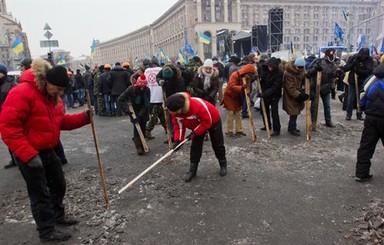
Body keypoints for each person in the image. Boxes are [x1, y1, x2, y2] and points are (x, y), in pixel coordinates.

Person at [0, 59, 91, 242]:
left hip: (48, 150)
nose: (61, 93)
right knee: (39, 193)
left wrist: (84, 117)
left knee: (59, 184)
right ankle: (47, 230)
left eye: (63, 90)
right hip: (29, 153)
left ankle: (58, 215)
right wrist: (28, 154)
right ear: (47, 82)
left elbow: (60, 122)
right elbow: (8, 127)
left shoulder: (53, 98)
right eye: (58, 89)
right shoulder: (22, 92)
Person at [166, 92, 227, 182]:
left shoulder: (197, 106)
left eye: (175, 112)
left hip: (212, 120)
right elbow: (178, 126)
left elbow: (207, 121)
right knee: (195, 146)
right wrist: (178, 141)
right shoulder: (175, 112)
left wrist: (195, 133)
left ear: (181, 108)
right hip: (197, 125)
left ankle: (223, 163)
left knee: (217, 144)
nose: (173, 114)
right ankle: (192, 171)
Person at [354, 63, 384, 182]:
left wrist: (364, 109)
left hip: (371, 118)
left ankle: (361, 173)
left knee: (366, 146)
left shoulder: (371, 79)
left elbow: (363, 97)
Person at [118, 74, 150, 155]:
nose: (142, 87)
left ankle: (143, 144)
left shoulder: (147, 90)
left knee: (143, 128)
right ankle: (139, 147)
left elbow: (147, 104)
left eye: (144, 85)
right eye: (141, 86)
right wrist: (127, 110)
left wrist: (140, 115)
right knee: (136, 129)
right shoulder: (131, 89)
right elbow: (120, 99)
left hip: (144, 112)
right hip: (134, 112)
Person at [221, 64, 256, 137]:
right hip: (229, 96)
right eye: (249, 74)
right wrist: (241, 87)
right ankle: (229, 131)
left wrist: (248, 92)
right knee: (230, 114)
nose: (249, 76)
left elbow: (248, 87)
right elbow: (231, 86)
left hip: (237, 96)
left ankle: (239, 130)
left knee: (238, 114)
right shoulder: (235, 75)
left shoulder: (247, 78)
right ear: (246, 72)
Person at [306, 48, 338, 127]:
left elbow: (332, 79)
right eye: (334, 54)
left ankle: (328, 121)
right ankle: (313, 121)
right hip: (315, 86)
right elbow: (308, 72)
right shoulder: (318, 61)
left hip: (326, 87)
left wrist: (333, 90)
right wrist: (315, 69)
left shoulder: (333, 65)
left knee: (327, 105)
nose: (335, 56)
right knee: (314, 105)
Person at [343, 48, 373, 121]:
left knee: (360, 98)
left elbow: (369, 71)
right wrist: (353, 64)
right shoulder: (354, 58)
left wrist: (359, 71)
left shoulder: (369, 59)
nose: (363, 57)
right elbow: (345, 68)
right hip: (353, 81)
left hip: (362, 81)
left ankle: (359, 113)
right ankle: (348, 114)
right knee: (351, 98)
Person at [282, 57, 309, 136]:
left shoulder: (301, 71)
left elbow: (304, 79)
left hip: (297, 93)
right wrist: (299, 95)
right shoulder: (288, 73)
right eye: (299, 67)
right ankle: (292, 128)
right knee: (293, 112)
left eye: (302, 67)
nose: (300, 69)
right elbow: (290, 88)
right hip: (291, 96)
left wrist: (307, 78)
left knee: (296, 112)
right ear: (295, 65)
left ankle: (292, 127)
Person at [258, 57, 283, 136]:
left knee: (274, 112)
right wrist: (257, 78)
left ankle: (277, 130)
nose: (270, 68)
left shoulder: (279, 73)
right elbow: (262, 81)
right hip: (265, 94)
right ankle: (267, 125)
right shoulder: (266, 72)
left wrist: (264, 94)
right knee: (263, 110)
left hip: (274, 95)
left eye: (271, 67)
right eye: (269, 66)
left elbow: (275, 87)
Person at [0, 64, 18, 169]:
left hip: (11, 115)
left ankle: (21, 159)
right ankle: (14, 159)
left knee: (15, 137)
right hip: (1, 116)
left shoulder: (11, 83)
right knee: (7, 138)